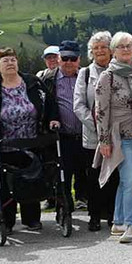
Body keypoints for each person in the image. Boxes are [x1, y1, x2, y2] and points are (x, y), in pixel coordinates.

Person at [0, 47, 58, 233]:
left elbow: (50, 102)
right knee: (6, 184)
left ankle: (32, 219)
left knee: (32, 179)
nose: (10, 63)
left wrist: (53, 119)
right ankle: (6, 220)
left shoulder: (32, 82)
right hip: (5, 146)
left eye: (13, 59)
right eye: (5, 61)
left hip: (32, 142)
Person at [93, 32, 132, 243]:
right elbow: (100, 111)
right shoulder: (107, 77)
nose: (126, 49)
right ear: (114, 50)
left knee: (128, 181)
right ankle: (131, 225)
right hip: (120, 137)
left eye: (129, 45)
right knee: (131, 182)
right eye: (121, 46)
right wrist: (104, 141)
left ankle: (118, 222)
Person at [74, 31, 118, 231]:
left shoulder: (119, 69)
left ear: (111, 49)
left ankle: (111, 214)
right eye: (96, 47)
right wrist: (99, 128)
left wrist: (110, 129)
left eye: (104, 46)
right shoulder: (84, 74)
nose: (100, 50)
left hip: (116, 134)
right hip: (92, 137)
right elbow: (79, 105)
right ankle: (93, 215)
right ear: (91, 51)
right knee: (93, 177)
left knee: (114, 175)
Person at [39, 40, 88, 212]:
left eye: (72, 58)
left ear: (79, 60)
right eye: (65, 58)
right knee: (62, 173)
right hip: (61, 135)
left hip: (85, 134)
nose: (68, 62)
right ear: (59, 58)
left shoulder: (86, 76)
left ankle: (83, 198)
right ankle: (65, 204)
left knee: (85, 170)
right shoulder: (48, 79)